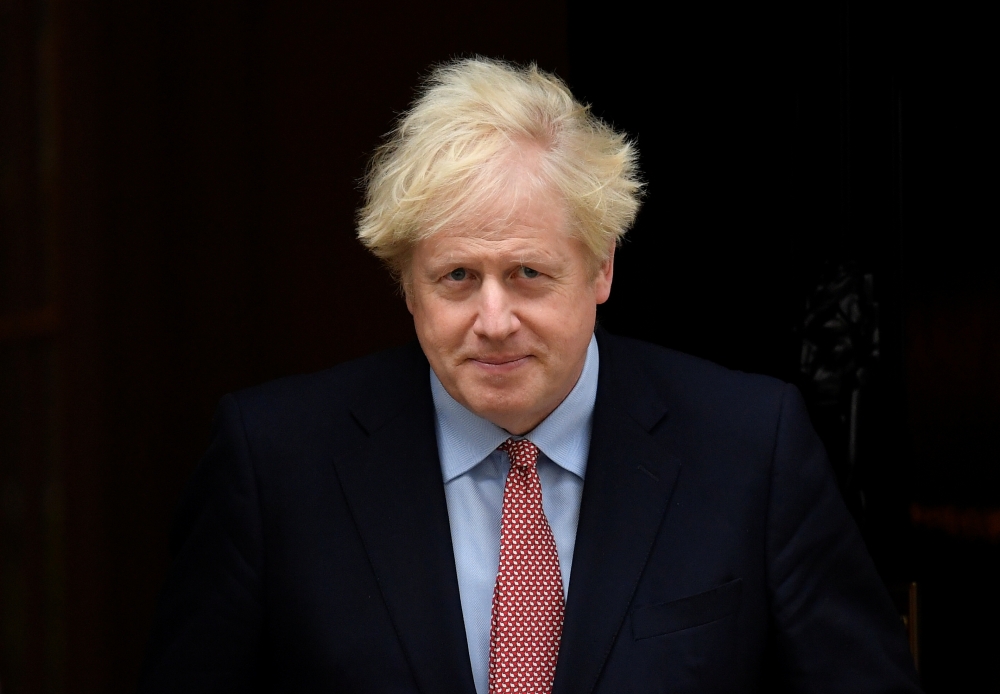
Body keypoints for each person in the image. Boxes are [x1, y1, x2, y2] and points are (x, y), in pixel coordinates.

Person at [139, 58, 921, 693]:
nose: (494, 320)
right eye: (456, 277)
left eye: (527, 274)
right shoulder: (275, 463)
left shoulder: (751, 447)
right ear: (407, 284)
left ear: (601, 267)